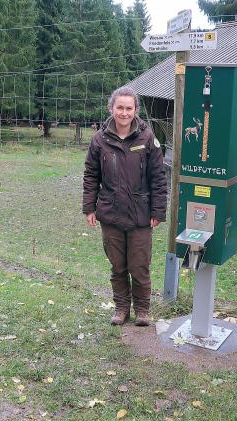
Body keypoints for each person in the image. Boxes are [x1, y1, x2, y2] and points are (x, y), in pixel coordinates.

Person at [82, 86, 167, 327]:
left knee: (139, 266)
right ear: (112, 109)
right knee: (118, 266)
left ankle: (141, 309)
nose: (124, 112)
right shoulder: (100, 140)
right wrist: (90, 207)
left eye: (129, 108)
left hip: (141, 215)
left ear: (135, 110)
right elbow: (91, 175)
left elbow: (158, 177)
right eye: (120, 107)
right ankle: (121, 308)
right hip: (111, 213)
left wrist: (158, 211)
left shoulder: (147, 138)